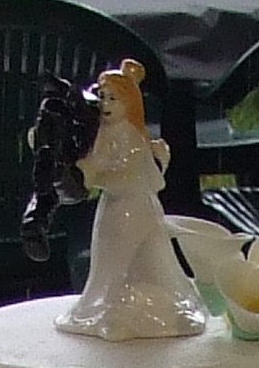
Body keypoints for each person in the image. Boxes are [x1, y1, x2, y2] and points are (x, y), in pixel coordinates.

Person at [57, 59, 204, 342]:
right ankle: (115, 309)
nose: (105, 103)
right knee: (123, 262)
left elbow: (124, 178)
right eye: (101, 96)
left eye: (113, 98)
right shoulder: (104, 133)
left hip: (131, 211)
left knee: (119, 265)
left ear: (129, 103)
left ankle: (123, 310)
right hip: (116, 209)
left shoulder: (132, 138)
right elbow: (91, 161)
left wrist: (91, 176)